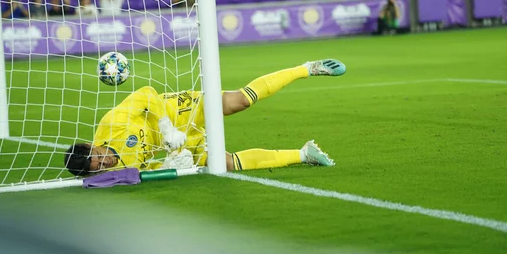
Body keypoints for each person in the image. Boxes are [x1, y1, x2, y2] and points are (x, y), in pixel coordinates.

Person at [64, 59, 347, 176]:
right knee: (223, 164)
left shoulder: (110, 124)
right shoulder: (114, 173)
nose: (104, 161)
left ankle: (307, 68)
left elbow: (147, 93)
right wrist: (171, 164)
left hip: (178, 112)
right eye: (97, 166)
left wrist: (165, 127)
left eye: (98, 156)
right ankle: (303, 154)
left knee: (238, 102)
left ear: (92, 145)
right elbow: (149, 172)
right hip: (177, 145)